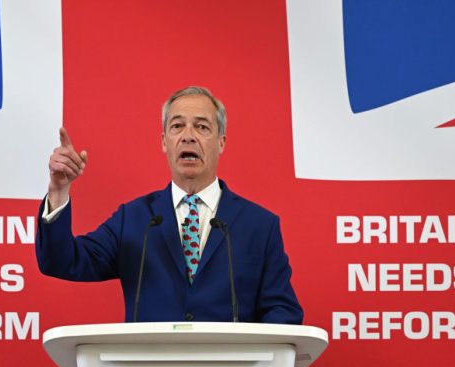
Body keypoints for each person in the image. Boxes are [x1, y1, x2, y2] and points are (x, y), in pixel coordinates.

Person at [36, 86, 303, 324]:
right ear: (165, 142)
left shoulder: (260, 226)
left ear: (221, 143)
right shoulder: (135, 219)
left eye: (202, 127)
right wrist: (59, 191)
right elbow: (61, 261)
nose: (188, 136)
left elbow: (282, 311)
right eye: (177, 126)